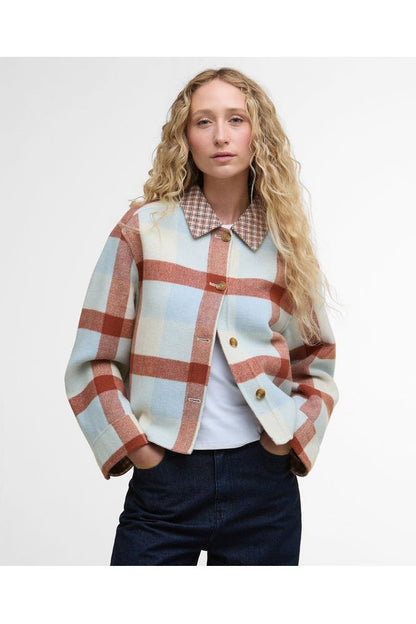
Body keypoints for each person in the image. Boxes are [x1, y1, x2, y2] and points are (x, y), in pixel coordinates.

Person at [64, 67, 339, 566]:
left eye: (236, 119)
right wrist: (138, 450)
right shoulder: (143, 230)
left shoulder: (284, 243)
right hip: (165, 483)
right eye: (203, 121)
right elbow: (94, 359)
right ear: (185, 137)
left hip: (263, 488)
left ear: (258, 134)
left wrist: (285, 443)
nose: (220, 136)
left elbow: (316, 361)